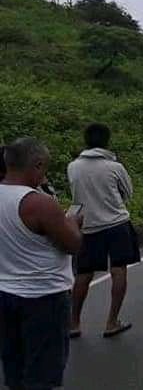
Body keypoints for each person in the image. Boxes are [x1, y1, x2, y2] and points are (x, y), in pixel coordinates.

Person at [0, 137, 82, 389]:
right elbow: (72, 244)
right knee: (42, 375)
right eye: (44, 167)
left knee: (14, 368)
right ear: (36, 165)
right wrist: (72, 222)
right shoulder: (38, 203)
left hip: (4, 293)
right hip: (44, 297)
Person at [68, 124, 139, 339]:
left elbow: (76, 196)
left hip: (88, 226)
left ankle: (74, 323)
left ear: (86, 140)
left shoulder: (73, 167)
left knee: (83, 274)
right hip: (117, 224)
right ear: (107, 140)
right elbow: (128, 193)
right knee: (118, 270)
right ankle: (111, 322)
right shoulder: (114, 166)